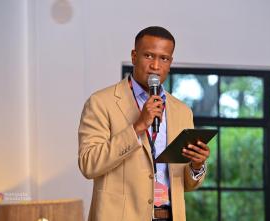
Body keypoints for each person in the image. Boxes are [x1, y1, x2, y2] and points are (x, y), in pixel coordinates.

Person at [78, 26, 210, 221]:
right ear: (134, 56)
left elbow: (185, 183)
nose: (155, 65)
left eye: (163, 58)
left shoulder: (182, 112)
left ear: (170, 63)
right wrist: (138, 126)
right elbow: (88, 164)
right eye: (148, 55)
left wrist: (197, 165)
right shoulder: (100, 102)